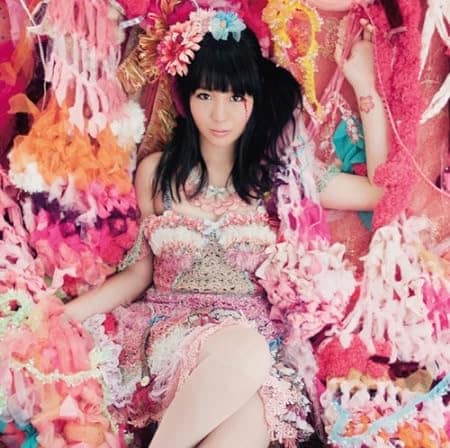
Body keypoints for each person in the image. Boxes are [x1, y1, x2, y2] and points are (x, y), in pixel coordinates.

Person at [65, 7, 387, 448]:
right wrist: (63, 317)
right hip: (172, 339)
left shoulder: (278, 177)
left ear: (255, 98)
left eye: (237, 98)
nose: (220, 114)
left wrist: (364, 85)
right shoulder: (157, 173)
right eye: (206, 95)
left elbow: (377, 191)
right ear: (186, 97)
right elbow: (138, 274)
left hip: (254, 352)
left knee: (253, 411)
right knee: (245, 352)